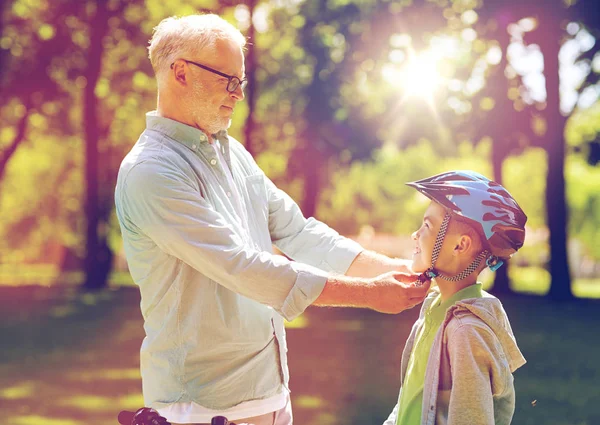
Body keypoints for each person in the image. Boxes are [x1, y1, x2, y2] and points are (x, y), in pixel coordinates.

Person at [114, 14, 431, 425]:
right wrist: (369, 294)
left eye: (240, 82)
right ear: (180, 73)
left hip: (271, 396)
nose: (237, 94)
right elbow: (241, 267)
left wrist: (399, 271)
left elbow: (300, 233)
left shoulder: (233, 154)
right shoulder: (151, 172)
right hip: (201, 407)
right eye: (227, 80)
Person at [382, 170, 528, 425]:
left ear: (460, 245)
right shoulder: (435, 308)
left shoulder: (466, 332)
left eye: (427, 225)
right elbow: (412, 397)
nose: (415, 234)